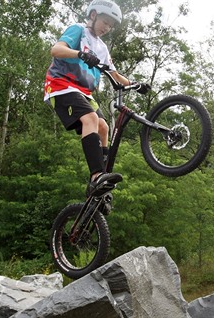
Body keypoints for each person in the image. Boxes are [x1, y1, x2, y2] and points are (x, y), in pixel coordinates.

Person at [44, 0, 151, 197]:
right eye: (105, 22)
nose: (107, 28)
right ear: (93, 15)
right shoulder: (78, 30)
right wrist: (80, 54)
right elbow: (56, 50)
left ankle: (102, 182)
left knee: (103, 127)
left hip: (83, 92)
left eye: (110, 26)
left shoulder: (102, 47)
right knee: (91, 119)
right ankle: (96, 175)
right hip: (60, 84)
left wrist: (136, 85)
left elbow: (115, 75)